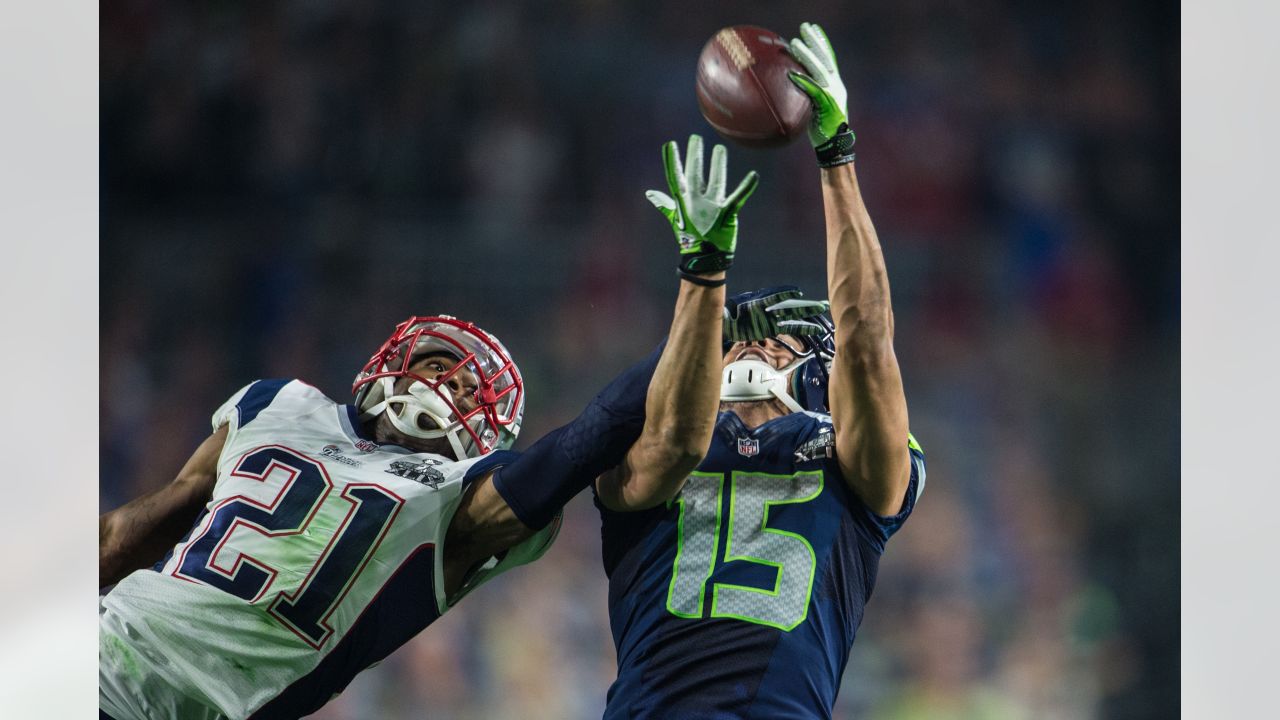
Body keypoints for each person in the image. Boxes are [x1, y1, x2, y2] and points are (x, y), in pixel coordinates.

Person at [97, 144, 760, 720]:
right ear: (395, 359)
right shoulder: (276, 403)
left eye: (474, 391)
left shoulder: (457, 499)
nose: (454, 387)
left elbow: (588, 438)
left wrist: (707, 297)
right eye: (444, 366)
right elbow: (133, 529)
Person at [592, 22, 928, 718]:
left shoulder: (855, 456)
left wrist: (837, 157)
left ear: (818, 372)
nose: (757, 346)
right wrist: (702, 274)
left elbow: (867, 342)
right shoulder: (643, 442)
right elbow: (674, 444)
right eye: (736, 339)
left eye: (783, 340)